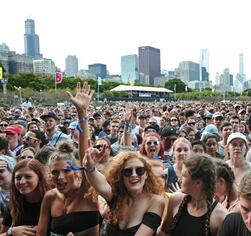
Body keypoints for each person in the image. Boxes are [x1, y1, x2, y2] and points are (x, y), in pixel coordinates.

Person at [37, 82, 100, 236]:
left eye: (66, 170)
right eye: (55, 172)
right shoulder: (50, 197)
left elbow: (84, 151)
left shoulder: (87, 191)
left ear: (77, 171)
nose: (60, 177)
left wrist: (81, 113)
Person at [84, 150, 165, 235]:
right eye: (128, 171)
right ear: (121, 176)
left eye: (139, 170)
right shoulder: (117, 196)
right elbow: (100, 183)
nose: (134, 175)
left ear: (146, 174)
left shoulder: (155, 201)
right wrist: (89, 166)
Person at [159, 153, 228, 236]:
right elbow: (163, 232)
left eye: (184, 175)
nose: (179, 178)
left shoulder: (220, 216)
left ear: (198, 182)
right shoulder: (175, 200)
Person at [1, 159, 48, 236]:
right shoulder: (13, 204)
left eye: (28, 177)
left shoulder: (53, 200)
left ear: (39, 178)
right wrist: (11, 232)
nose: (22, 181)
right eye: (18, 177)